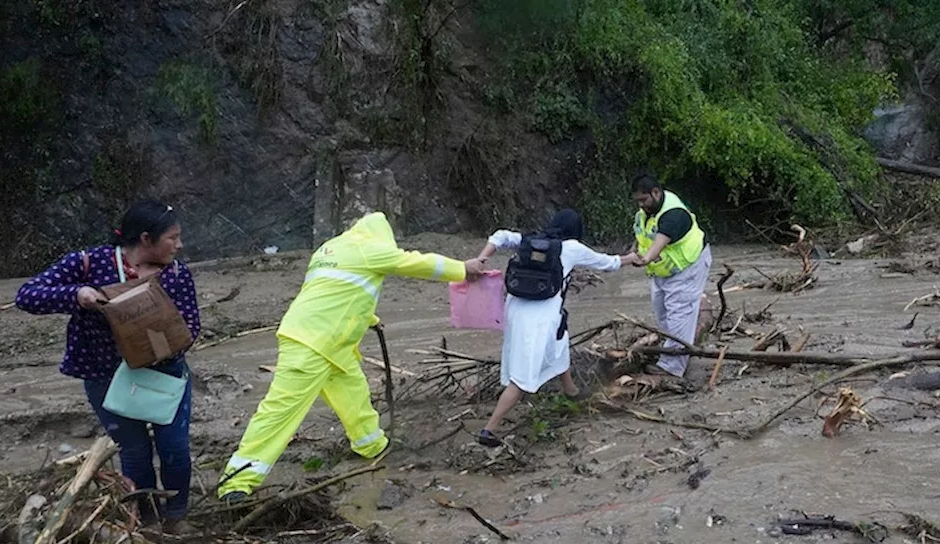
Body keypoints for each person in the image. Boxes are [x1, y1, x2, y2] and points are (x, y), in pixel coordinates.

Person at [218, 211, 485, 501]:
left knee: (353, 395)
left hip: (328, 342)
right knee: (279, 412)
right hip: (314, 343)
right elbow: (415, 262)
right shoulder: (369, 249)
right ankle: (236, 482)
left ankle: (371, 446)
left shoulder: (330, 249)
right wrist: (462, 268)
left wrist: (369, 317)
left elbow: (338, 292)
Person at [16, 201, 199, 532]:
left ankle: (177, 516)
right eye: (173, 238)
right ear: (146, 239)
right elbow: (27, 295)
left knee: (174, 448)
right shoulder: (88, 264)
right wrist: (77, 294)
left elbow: (191, 326)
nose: (180, 245)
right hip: (106, 375)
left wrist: (163, 346)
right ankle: (145, 518)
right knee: (134, 451)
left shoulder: (176, 273)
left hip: (164, 374)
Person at [473, 209, 638, 447]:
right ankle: (489, 430)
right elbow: (608, 263)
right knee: (523, 376)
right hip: (540, 317)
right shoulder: (571, 248)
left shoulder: (530, 240)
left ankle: (570, 390)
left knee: (560, 342)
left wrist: (481, 259)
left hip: (515, 309)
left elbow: (499, 236)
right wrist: (630, 258)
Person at [629, 173, 711, 378]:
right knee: (662, 312)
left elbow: (658, 244)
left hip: (687, 268)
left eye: (644, 200)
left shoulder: (673, 213)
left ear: (656, 192)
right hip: (663, 271)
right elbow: (642, 235)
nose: (641, 205)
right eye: (637, 201)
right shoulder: (646, 211)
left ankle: (672, 367)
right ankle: (677, 347)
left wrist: (644, 259)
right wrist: (634, 251)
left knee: (679, 314)